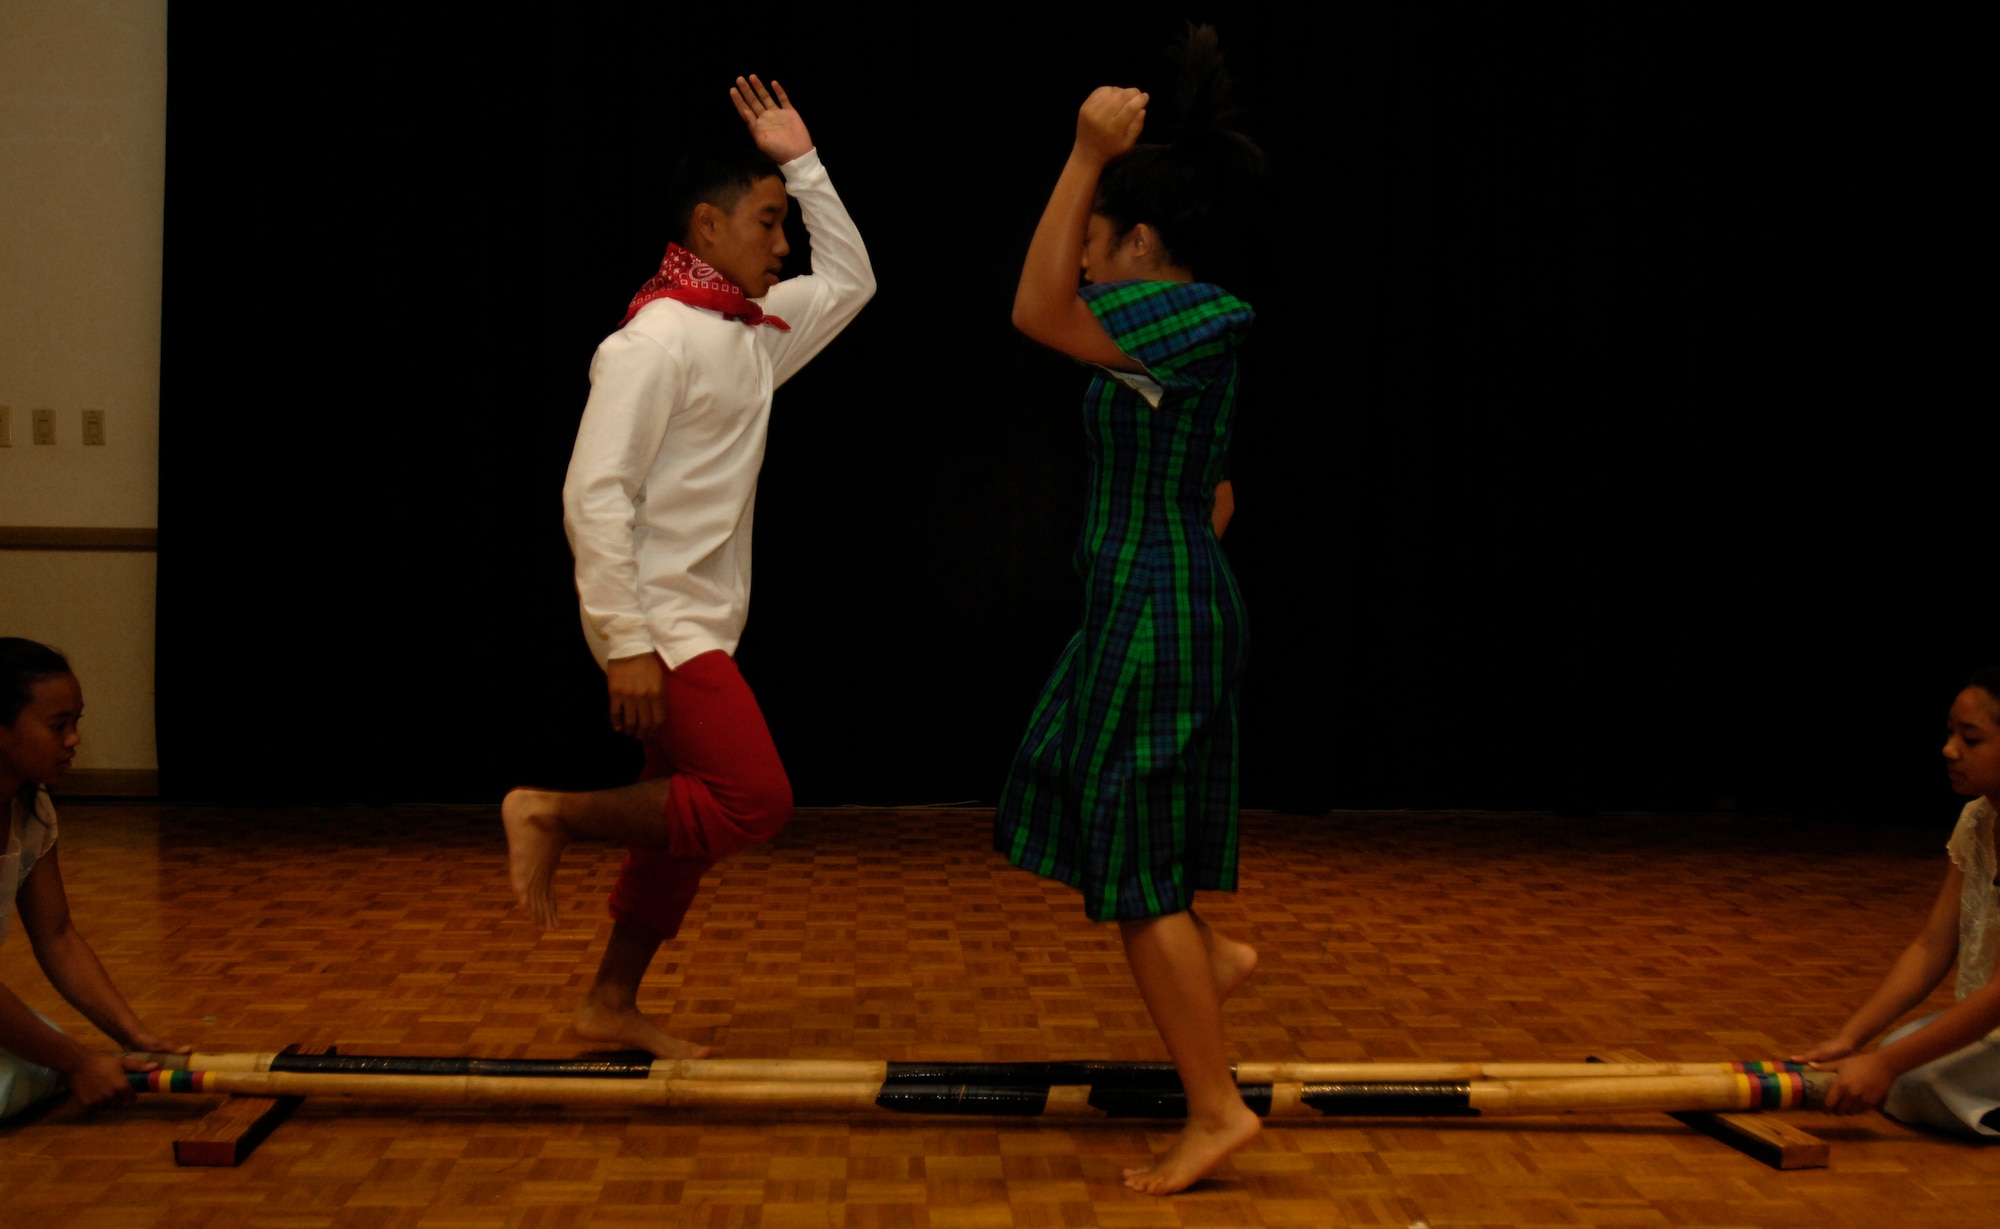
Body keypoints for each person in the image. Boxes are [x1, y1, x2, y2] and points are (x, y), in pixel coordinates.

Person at [502, 76, 874, 1060]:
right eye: (766, 222)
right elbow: (595, 495)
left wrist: (801, 162)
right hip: (664, 628)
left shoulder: (748, 332)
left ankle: (607, 1003)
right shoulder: (650, 342)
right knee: (754, 800)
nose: (781, 242)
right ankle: (547, 810)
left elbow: (851, 279)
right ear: (707, 228)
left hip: (698, 620)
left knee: (682, 829)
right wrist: (627, 645)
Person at [994, 27, 1265, 1195]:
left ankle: (1214, 1109)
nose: (1084, 262)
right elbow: (1213, 487)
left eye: (1098, 241)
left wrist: (1078, 158)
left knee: (1135, 866)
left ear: (1138, 238)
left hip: (1156, 610)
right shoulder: (1160, 334)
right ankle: (1212, 953)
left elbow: (1032, 308)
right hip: (1145, 598)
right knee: (1062, 780)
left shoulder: (1193, 312)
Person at [1792, 667, 2000, 1136]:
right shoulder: (1978, 818)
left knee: (1909, 1077)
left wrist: (1885, 1065)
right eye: (1950, 733)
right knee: (1900, 1053)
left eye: (1971, 739)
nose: (1949, 750)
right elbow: (1931, 945)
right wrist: (1852, 1037)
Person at [0, 638, 187, 1119]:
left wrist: (132, 1034)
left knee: (43, 1073)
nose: (74, 740)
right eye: (58, 726)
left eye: (75, 723)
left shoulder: (31, 807)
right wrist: (76, 1061)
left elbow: (57, 936)